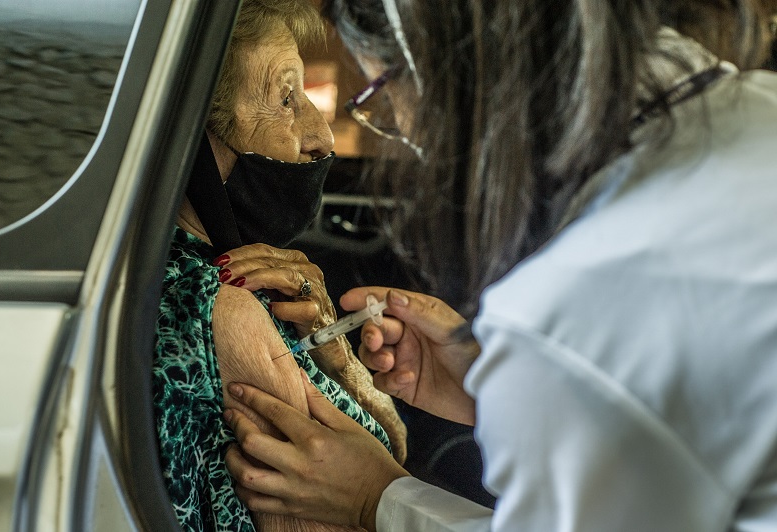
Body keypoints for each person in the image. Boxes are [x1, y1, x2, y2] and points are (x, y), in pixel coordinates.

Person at [221, 0, 777, 530]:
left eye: (385, 95)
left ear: (444, 72)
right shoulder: (758, 111)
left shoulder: (569, 308)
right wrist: (501, 386)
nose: (411, 139)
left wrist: (378, 497)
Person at [152, 1, 406, 530]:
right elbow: (342, 501)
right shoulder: (222, 303)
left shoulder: (242, 277)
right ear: (195, 137)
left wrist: (335, 351)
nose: (322, 137)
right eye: (286, 99)